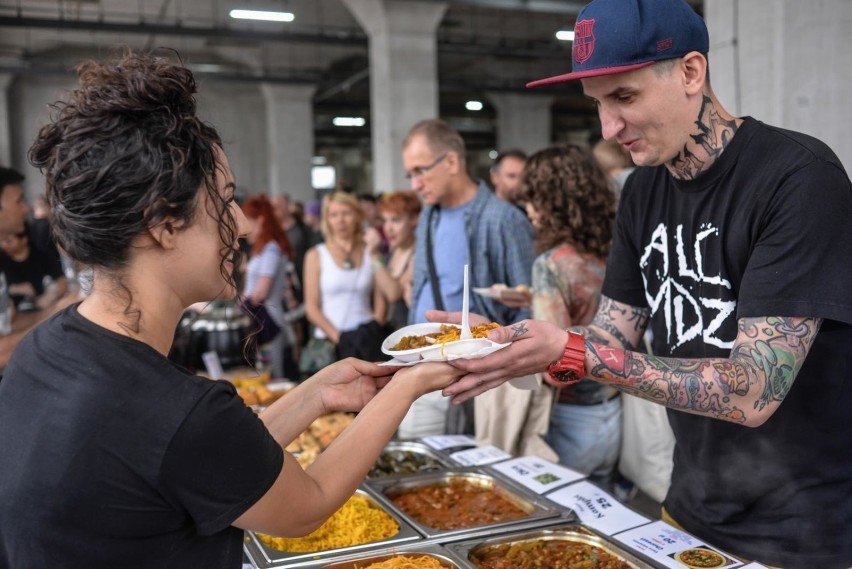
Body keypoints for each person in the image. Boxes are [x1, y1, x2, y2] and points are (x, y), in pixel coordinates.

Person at [0, 51, 464, 569]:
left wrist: (315, 395)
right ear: (164, 224)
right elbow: (305, 506)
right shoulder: (173, 408)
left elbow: (206, 459)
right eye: (224, 202)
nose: (242, 224)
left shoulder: (44, 346)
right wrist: (406, 384)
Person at [432, 0, 852, 567]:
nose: (608, 127)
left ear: (690, 72)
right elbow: (612, 335)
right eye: (599, 103)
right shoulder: (641, 191)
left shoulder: (797, 177)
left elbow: (753, 389)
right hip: (688, 508)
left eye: (624, 97)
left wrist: (575, 352)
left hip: (802, 531)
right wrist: (516, 345)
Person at [402, 118, 535, 437]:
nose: (414, 184)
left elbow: (528, 304)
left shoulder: (503, 219)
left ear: (450, 161)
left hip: (477, 376)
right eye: (410, 174)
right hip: (418, 364)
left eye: (420, 170)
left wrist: (498, 362)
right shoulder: (427, 218)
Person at [518, 145, 620, 486]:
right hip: (615, 411)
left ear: (552, 201)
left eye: (532, 198)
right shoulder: (617, 251)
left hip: (570, 419)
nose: (527, 209)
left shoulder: (551, 265)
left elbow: (556, 364)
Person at [303, 191, 387, 365]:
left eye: (346, 213)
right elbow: (311, 307)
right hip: (330, 341)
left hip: (367, 338)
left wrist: (371, 331)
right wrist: (339, 338)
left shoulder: (369, 251)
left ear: (357, 216)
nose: (340, 220)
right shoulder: (316, 255)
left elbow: (381, 302)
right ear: (327, 219)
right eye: (334, 214)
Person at [240, 194, 294, 378]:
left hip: (269, 321)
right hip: (262, 319)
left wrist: (242, 305)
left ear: (261, 220)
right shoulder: (263, 249)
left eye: (248, 221)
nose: (245, 228)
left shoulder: (271, 249)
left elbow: (262, 291)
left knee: (273, 375)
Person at [367, 190, 421, 332]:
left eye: (396, 220)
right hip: (390, 332)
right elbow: (380, 307)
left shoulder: (419, 253)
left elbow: (393, 293)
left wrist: (374, 255)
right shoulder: (391, 252)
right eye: (385, 220)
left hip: (411, 333)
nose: (388, 228)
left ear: (414, 219)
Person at [0, 225, 68, 312]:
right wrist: (13, 288)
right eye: (2, 241)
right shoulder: (2, 259)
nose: (4, 245)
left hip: (39, 308)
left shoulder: (42, 255)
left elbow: (62, 282)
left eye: (9, 241)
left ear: (24, 240)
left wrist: (50, 297)